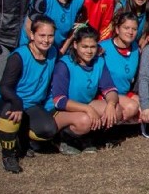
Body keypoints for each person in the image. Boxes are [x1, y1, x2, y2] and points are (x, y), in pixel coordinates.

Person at [0, 15, 59, 173]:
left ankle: (21, 139)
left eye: (50, 36)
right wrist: (17, 103)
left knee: (48, 130)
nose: (46, 40)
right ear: (32, 35)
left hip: (30, 105)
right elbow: (5, 87)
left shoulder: (53, 53)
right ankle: (8, 155)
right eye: (42, 35)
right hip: (3, 100)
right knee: (9, 112)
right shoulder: (19, 56)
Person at [47, 25, 121, 155]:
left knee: (116, 110)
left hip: (84, 104)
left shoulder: (99, 62)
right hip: (58, 110)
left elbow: (110, 89)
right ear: (75, 45)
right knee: (85, 120)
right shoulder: (64, 65)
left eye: (93, 47)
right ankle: (63, 139)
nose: (89, 51)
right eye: (84, 47)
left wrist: (111, 104)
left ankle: (87, 138)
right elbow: (59, 100)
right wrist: (88, 109)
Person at [98, 11, 142, 124]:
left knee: (145, 108)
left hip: (123, 93)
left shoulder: (136, 49)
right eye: (126, 28)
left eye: (134, 29)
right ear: (117, 29)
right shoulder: (102, 48)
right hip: (105, 94)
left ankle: (115, 122)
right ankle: (104, 128)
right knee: (132, 107)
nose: (130, 32)